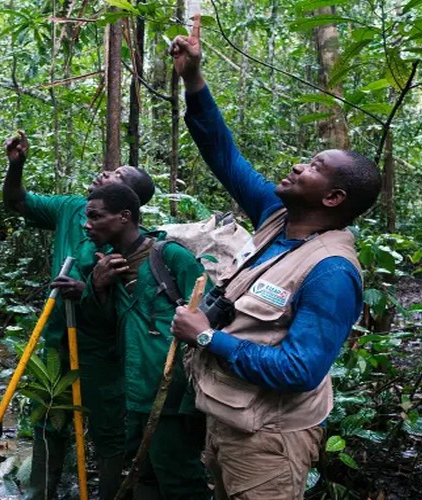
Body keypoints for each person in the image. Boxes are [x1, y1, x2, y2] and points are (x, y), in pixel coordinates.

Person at [169, 15, 382, 499]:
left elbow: (300, 371)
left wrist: (206, 337)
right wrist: (193, 78)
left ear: (333, 198)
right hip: (230, 420)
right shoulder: (275, 216)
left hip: (270, 439)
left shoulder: (331, 271)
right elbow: (224, 156)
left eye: (314, 167)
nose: (298, 165)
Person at [2, 131, 155, 500]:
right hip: (56, 341)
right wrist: (16, 165)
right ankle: (41, 493)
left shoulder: (139, 247)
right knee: (48, 420)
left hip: (102, 353)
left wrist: (90, 289)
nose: (105, 173)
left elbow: (132, 312)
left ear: (126, 207)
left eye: (117, 175)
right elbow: (18, 201)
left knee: (108, 431)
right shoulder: (72, 208)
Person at [84, 183, 210, 499]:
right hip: (132, 393)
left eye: (96, 216)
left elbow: (207, 319)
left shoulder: (170, 257)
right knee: (143, 474)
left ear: (124, 216)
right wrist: (97, 286)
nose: (87, 225)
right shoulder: (107, 264)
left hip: (171, 392)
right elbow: (101, 328)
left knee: (179, 476)